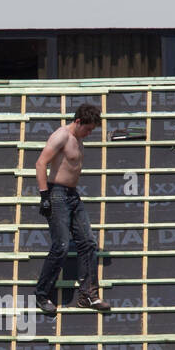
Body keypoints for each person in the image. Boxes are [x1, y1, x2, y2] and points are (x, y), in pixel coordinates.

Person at [33, 103, 110, 314]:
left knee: (87, 242)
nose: (89, 133)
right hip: (56, 194)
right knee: (62, 246)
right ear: (77, 121)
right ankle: (41, 295)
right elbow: (41, 164)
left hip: (72, 195)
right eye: (88, 128)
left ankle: (88, 296)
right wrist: (44, 196)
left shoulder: (78, 139)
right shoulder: (61, 136)